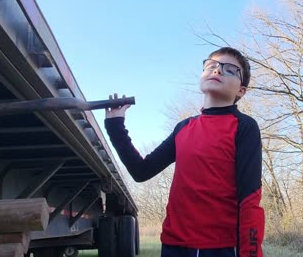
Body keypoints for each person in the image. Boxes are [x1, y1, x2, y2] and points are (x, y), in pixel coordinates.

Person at [104, 47, 264, 257]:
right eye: (211, 65)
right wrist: (116, 128)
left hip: (219, 248)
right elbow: (141, 171)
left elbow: (249, 198)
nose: (217, 70)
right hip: (173, 245)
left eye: (230, 70)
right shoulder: (183, 128)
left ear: (241, 91)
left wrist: (251, 254)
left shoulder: (244, 127)